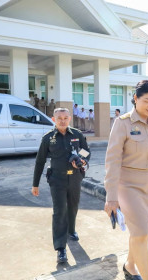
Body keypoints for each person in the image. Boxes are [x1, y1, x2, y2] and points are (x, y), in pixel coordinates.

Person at [104, 80, 148, 280]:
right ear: (135, 99)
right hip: (127, 186)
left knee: (140, 233)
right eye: (147, 101)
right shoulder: (123, 123)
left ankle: (130, 266)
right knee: (141, 234)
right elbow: (112, 161)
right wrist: (111, 196)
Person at [31, 108, 90, 263]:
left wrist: (81, 159)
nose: (62, 121)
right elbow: (40, 161)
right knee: (59, 211)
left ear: (69, 118)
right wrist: (35, 184)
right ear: (53, 119)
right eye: (59, 118)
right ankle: (60, 248)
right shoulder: (48, 138)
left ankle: (71, 230)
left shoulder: (77, 134)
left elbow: (86, 151)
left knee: (73, 206)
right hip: (57, 180)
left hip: (75, 178)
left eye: (65, 118)